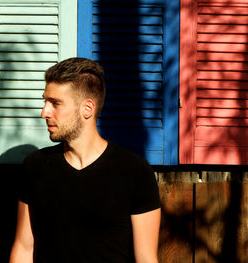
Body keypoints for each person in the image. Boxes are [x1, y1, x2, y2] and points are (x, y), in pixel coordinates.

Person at [9, 57, 161, 263]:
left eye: (55, 103)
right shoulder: (36, 166)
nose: (44, 112)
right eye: (45, 101)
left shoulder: (134, 171)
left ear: (87, 108)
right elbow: (24, 248)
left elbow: (146, 258)